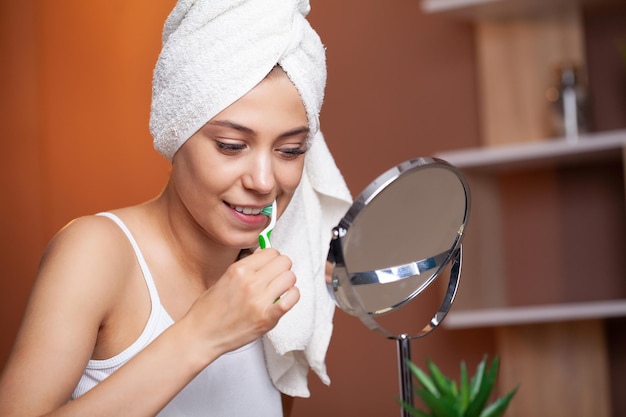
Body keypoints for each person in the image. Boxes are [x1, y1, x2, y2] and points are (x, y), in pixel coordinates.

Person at [0, 0, 352, 416]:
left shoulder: (277, 281)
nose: (263, 180)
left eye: (289, 150)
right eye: (231, 146)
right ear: (176, 126)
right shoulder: (97, 252)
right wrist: (203, 332)